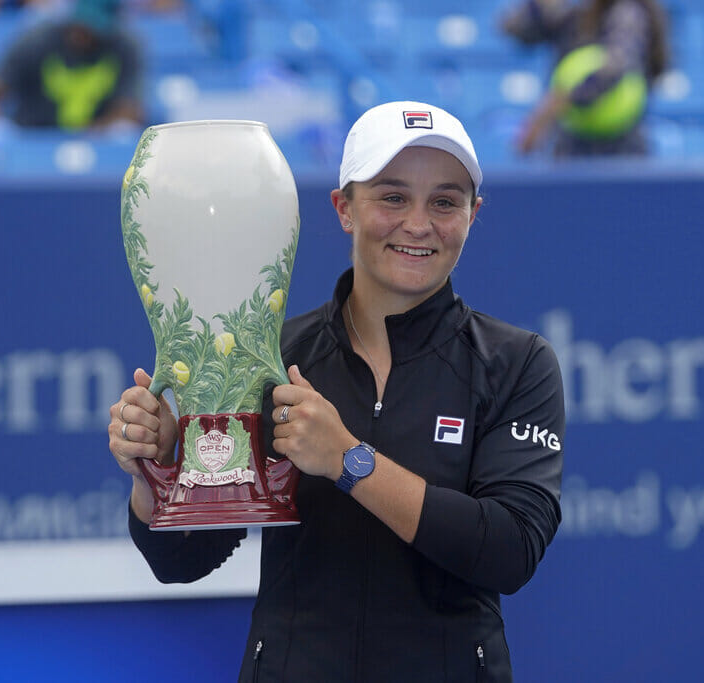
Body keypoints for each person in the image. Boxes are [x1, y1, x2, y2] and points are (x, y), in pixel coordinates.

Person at [109, 101, 565, 681]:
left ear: (474, 214)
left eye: (445, 202)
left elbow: (509, 550)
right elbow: (183, 562)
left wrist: (350, 462)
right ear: (344, 208)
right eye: (392, 197)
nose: (419, 224)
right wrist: (160, 474)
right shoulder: (268, 356)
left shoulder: (517, 362)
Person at [501, 0, 669, 157]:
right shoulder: (576, 14)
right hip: (571, 142)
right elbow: (515, 29)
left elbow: (615, 66)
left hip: (619, 146)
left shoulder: (627, 12)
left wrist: (560, 102)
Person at [0, 0, 143, 131]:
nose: (82, 33)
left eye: (91, 28)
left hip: (98, 139)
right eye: (79, 24)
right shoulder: (37, 39)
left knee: (122, 132)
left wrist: (88, 138)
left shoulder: (125, 47)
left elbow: (130, 111)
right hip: (30, 137)